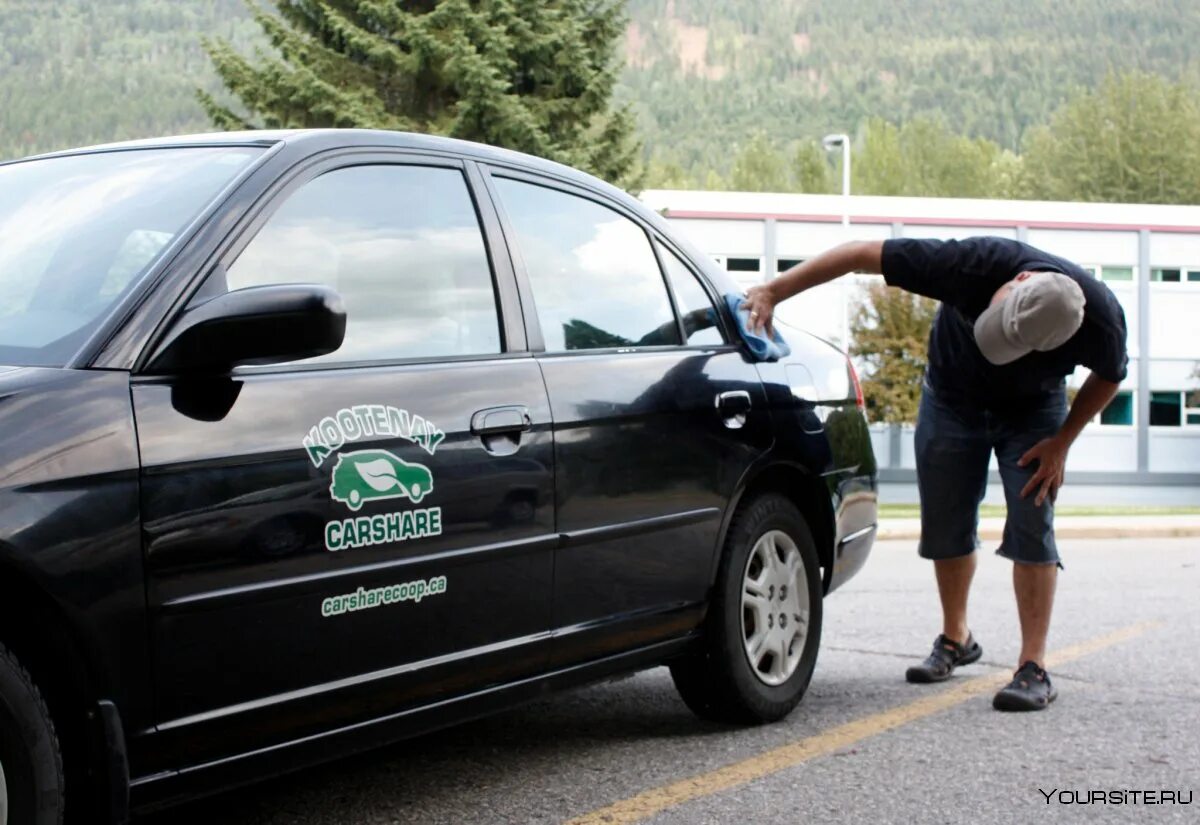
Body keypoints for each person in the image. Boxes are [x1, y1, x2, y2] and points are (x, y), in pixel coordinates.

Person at [744, 237, 1128, 711]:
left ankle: (1034, 666)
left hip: (1032, 411)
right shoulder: (971, 263)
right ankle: (956, 637)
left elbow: (1110, 374)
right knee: (946, 521)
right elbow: (858, 255)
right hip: (951, 399)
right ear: (1018, 281)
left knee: (1033, 517)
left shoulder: (1102, 320)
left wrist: (1063, 442)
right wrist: (775, 290)